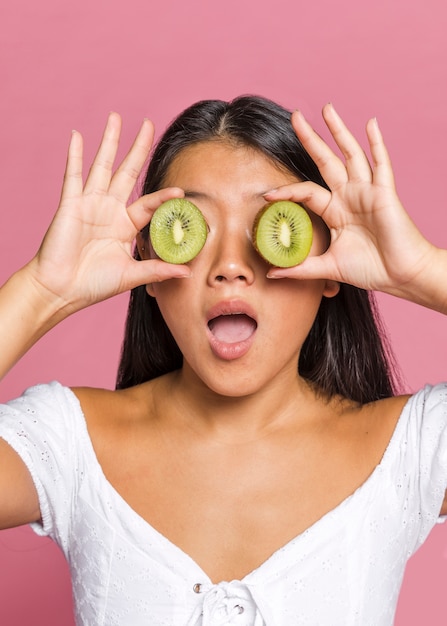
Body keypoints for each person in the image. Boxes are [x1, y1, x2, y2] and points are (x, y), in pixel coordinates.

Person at [0, 95, 446, 626]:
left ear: (333, 269)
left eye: (272, 226)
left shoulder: (411, 449)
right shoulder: (67, 442)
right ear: (147, 268)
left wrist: (419, 269)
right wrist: (42, 293)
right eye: (191, 228)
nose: (230, 266)